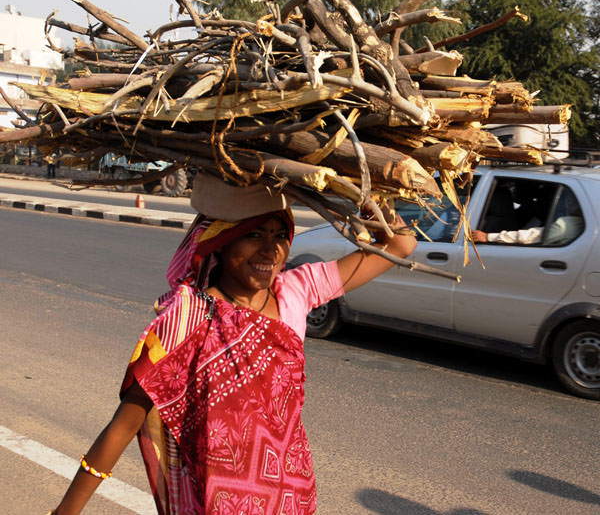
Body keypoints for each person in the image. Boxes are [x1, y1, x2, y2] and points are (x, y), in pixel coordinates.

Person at [48, 174, 417, 515]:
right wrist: (66, 511)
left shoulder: (297, 290)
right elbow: (125, 423)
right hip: (214, 499)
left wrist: (359, 188)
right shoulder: (187, 318)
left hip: (288, 493)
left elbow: (400, 243)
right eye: (255, 234)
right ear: (221, 241)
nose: (271, 250)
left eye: (279, 235)